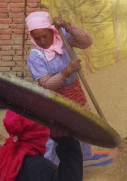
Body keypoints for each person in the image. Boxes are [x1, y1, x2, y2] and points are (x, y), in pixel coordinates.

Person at [25, 10, 94, 165]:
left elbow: (87, 41)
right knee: (57, 134)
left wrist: (68, 26)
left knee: (78, 130)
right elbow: (46, 84)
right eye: (37, 38)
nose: (42, 41)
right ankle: (53, 167)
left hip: (75, 95)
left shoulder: (63, 38)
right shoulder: (36, 56)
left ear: (51, 31)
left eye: (45, 36)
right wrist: (67, 71)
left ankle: (74, 166)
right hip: (54, 101)